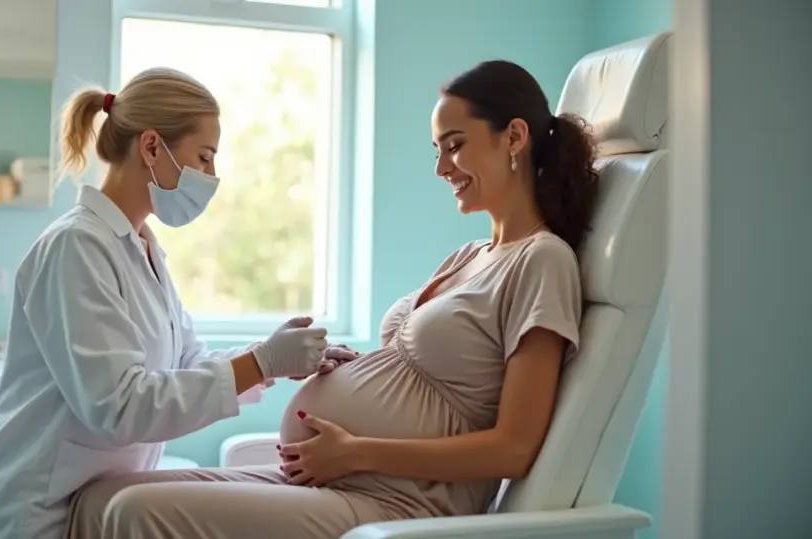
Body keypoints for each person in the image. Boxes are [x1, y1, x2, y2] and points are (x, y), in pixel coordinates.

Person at [63, 59, 601, 539]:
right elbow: (425, 377)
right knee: (99, 500)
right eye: (437, 151)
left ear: (514, 137)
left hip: (399, 503)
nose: (441, 169)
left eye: (455, 145)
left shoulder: (542, 261)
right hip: (342, 479)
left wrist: (358, 449)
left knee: (135, 513)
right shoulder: (469, 255)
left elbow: (514, 447)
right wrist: (345, 366)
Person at [0, 67, 360, 539]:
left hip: (93, 505)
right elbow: (120, 406)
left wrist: (273, 359)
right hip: (33, 515)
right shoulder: (76, 247)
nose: (212, 176)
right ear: (150, 147)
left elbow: (186, 361)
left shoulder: (141, 247)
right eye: (204, 157)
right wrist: (261, 361)